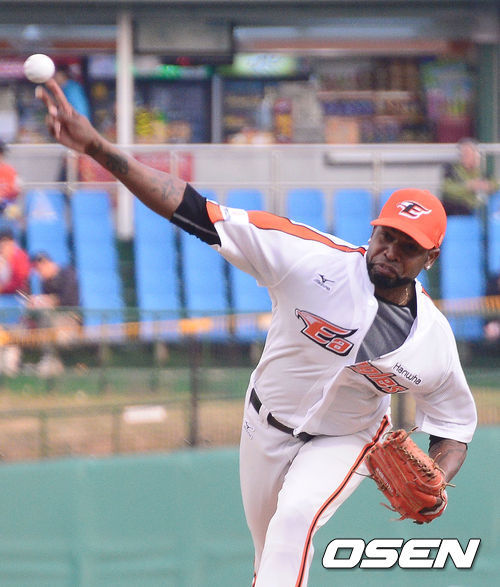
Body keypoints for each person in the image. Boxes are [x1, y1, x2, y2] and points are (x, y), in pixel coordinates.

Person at [36, 79, 477, 586]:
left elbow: (454, 422)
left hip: (347, 436)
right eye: (386, 235)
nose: (390, 251)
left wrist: (439, 476)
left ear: (431, 257)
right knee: (269, 554)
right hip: (264, 423)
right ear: (373, 230)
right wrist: (97, 148)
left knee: (295, 520)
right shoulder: (310, 259)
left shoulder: (430, 339)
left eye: (408, 246)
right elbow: (194, 210)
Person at [26, 251, 81, 376]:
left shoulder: (68, 274)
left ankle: (51, 360)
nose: (39, 274)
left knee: (46, 316)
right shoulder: (46, 281)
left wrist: (46, 300)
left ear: (47, 264)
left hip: (70, 321)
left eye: (40, 269)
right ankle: (51, 360)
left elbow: (67, 300)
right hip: (52, 321)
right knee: (41, 315)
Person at [441, 137, 498, 216]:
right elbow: (446, 189)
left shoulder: (483, 171)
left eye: (472, 153)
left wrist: (489, 186)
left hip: (483, 210)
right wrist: (468, 186)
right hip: (460, 210)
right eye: (465, 154)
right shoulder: (452, 171)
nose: (469, 157)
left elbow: (496, 183)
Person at [0, 140, 23, 229]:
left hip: (6, 206)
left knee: (14, 212)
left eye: (1, 153)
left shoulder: (10, 171)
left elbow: (16, 190)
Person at [0, 228, 30, 295]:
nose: (5, 247)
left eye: (7, 243)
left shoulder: (21, 257)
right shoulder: (1, 256)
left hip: (17, 295)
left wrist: (3, 289)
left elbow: (19, 282)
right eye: (2, 244)